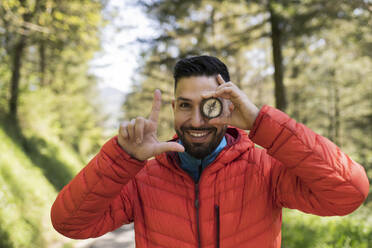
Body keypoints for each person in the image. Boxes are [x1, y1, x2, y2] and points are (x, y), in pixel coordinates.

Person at [51, 55, 369, 248]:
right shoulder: (143, 177)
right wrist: (122, 158)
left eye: (209, 106)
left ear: (228, 106)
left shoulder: (265, 169)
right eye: (186, 106)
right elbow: (69, 224)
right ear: (174, 108)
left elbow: (349, 192)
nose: (197, 120)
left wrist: (262, 122)